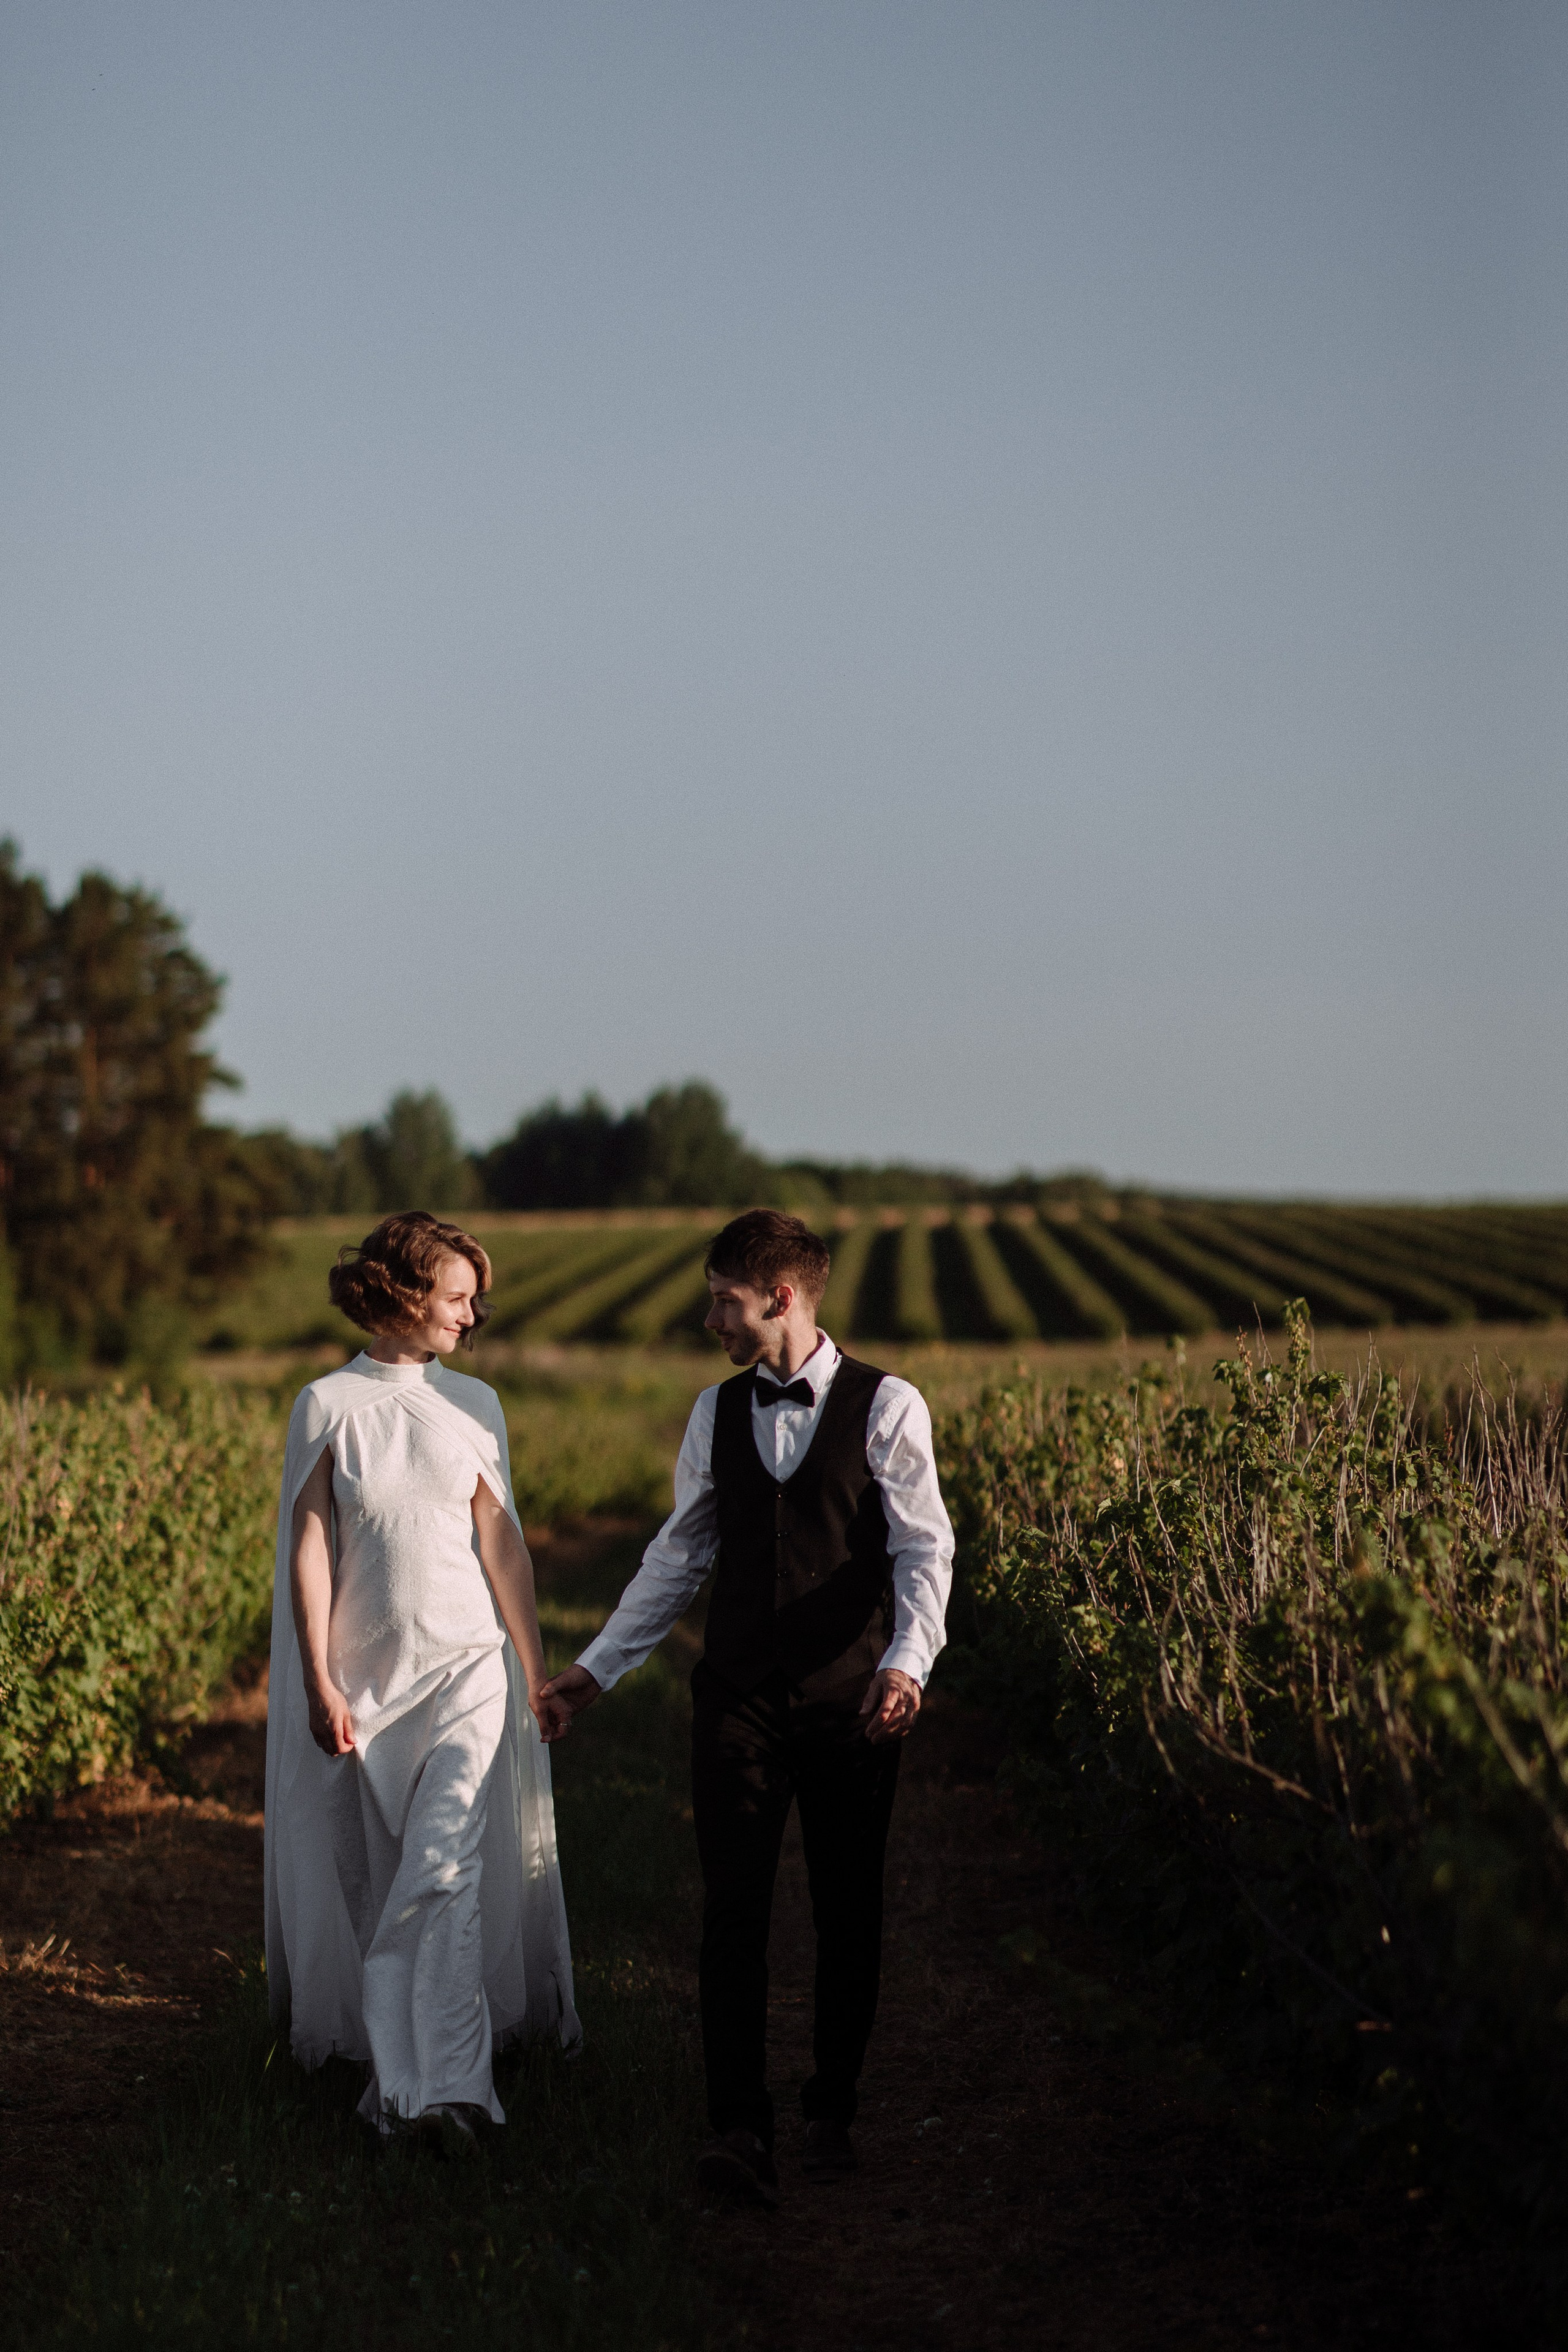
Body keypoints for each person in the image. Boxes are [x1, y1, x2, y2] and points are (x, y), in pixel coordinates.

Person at [541, 1208, 953, 2206]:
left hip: (853, 1699)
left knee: (847, 1909)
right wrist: (594, 1670)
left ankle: (830, 2111)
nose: (712, 1321)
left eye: (725, 1302)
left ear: (782, 1297)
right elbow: (679, 1557)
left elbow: (922, 1549)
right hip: (737, 1699)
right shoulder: (713, 1413)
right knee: (733, 1910)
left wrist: (906, 1664)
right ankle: (738, 2127)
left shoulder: (889, 1405)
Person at [263, 1211, 580, 2148]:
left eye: (475, 1299)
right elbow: (311, 1544)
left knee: (443, 1864)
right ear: (401, 1294)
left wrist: (531, 1671)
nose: (471, 1316)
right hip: (369, 1682)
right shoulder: (327, 1406)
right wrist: (319, 1677)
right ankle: (401, 2073)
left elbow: (503, 1546)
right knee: (389, 1876)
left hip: (468, 1671)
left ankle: (444, 2092)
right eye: (456, 1297)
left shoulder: (477, 1406)